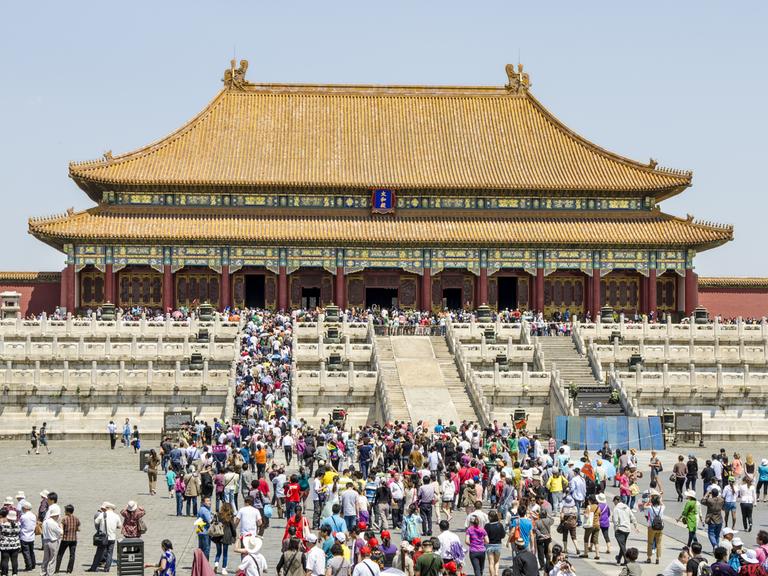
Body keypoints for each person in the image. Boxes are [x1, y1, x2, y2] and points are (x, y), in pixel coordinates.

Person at [87, 502, 121, 572]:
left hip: (103, 537)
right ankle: (107, 569)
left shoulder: (103, 514)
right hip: (112, 537)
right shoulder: (116, 516)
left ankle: (94, 567)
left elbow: (96, 522)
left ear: (107, 508)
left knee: (99, 553)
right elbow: (119, 526)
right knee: (110, 553)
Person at [211, 502, 236, 576]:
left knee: (218, 552)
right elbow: (233, 527)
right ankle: (223, 569)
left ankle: (216, 564)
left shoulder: (218, 515)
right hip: (226, 536)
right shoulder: (230, 516)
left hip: (218, 535)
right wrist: (234, 535)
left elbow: (213, 522)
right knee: (225, 554)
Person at [612, 495, 637, 566]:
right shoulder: (627, 507)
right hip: (627, 529)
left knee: (622, 546)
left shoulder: (616, 509)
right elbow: (632, 517)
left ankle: (627, 560)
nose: (614, 503)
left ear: (616, 501)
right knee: (622, 544)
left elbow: (615, 521)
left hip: (620, 529)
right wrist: (635, 525)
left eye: (614, 501)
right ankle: (618, 559)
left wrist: (615, 529)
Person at [55, 504, 80, 574]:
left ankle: (57, 569)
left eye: (65, 510)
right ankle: (69, 570)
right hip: (74, 539)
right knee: (72, 555)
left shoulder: (64, 519)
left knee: (60, 554)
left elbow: (61, 529)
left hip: (65, 539)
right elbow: (78, 528)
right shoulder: (76, 518)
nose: (64, 511)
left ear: (67, 511)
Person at [40, 504, 62, 576]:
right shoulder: (54, 523)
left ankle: (43, 572)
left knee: (45, 558)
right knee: (52, 559)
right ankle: (50, 573)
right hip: (53, 541)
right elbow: (61, 532)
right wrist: (61, 526)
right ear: (55, 515)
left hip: (45, 541)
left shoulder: (45, 521)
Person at [704, 486, 725, 554]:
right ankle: (716, 548)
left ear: (712, 494)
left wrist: (707, 494)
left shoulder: (710, 500)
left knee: (711, 534)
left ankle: (715, 545)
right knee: (717, 535)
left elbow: (702, 501)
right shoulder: (721, 500)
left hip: (712, 519)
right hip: (719, 519)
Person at [644, 494, 665, 565]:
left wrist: (649, 500)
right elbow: (662, 504)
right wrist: (660, 499)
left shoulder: (650, 508)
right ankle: (657, 559)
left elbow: (644, 506)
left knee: (650, 542)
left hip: (651, 527)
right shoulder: (662, 508)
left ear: (652, 501)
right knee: (658, 543)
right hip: (660, 527)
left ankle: (649, 558)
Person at [0, 508, 21, 576]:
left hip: (5, 545)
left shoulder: (3, 525)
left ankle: (4, 573)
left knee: (5, 560)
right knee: (14, 560)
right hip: (15, 544)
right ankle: (14, 573)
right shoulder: (18, 525)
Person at [485, 510, 505, 576]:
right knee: (497, 561)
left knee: (491, 562)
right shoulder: (500, 525)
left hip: (489, 545)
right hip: (498, 545)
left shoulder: (487, 526)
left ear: (490, 517)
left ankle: (492, 575)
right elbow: (503, 535)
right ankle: (496, 573)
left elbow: (485, 536)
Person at [18, 502, 35, 571]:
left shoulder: (23, 516)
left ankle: (28, 566)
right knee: (31, 552)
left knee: (26, 552)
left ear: (25, 508)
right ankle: (33, 564)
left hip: (24, 536)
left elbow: (19, 524)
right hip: (31, 536)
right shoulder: (33, 515)